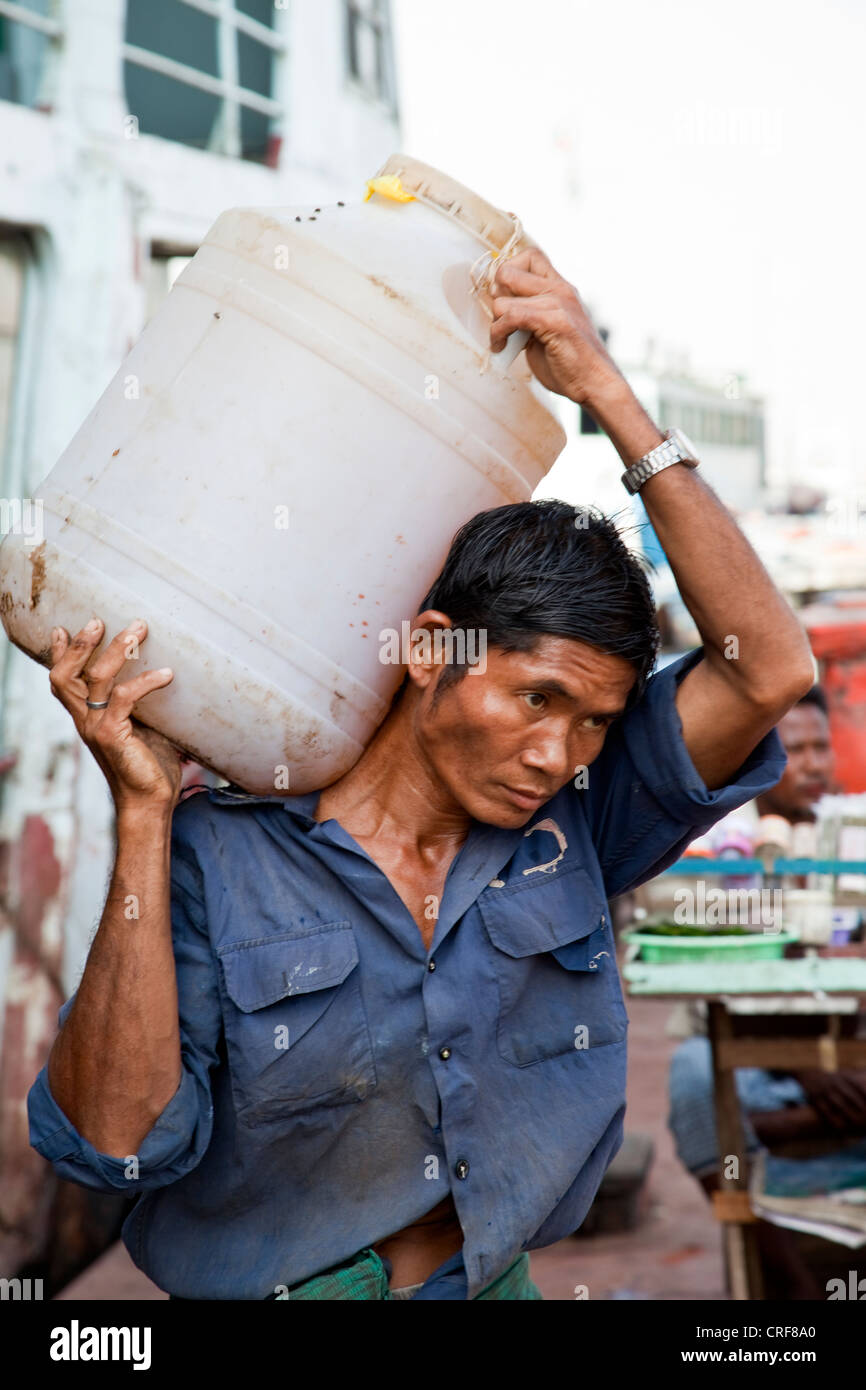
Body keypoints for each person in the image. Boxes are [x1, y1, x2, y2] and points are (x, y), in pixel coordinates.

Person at [27, 247, 815, 1301]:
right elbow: (116, 1143)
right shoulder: (218, 851)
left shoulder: (577, 819)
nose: (558, 751)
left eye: (596, 720)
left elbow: (767, 668)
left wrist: (604, 395)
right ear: (430, 649)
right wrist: (139, 811)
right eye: (534, 698)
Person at [667, 685, 866, 1298]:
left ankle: (782, 1126)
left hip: (848, 1049)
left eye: (819, 749)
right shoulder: (729, 845)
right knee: (696, 1079)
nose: (811, 764)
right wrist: (807, 1075)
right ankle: (791, 1286)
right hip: (755, 1058)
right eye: (794, 749)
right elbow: (711, 996)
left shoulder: (850, 831)